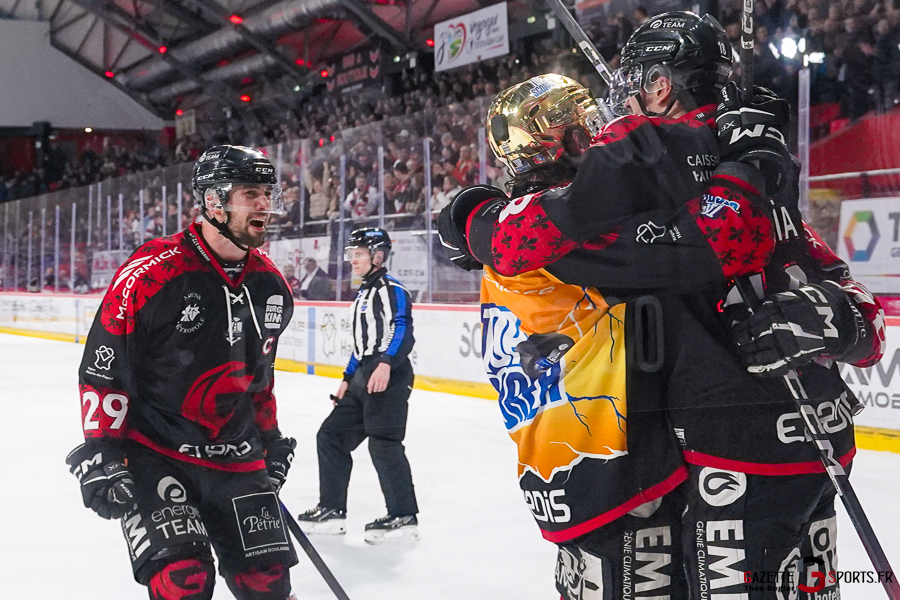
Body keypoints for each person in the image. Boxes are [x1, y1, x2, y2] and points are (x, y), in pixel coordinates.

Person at [441, 12, 885, 600]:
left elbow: (852, 310)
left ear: (659, 86)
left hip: (715, 455)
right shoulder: (734, 173)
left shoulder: (711, 177)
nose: (606, 125)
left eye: (620, 103)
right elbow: (726, 243)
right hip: (673, 459)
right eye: (580, 129)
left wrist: (832, 318)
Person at [443, 73, 691, 599]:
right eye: (580, 126)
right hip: (613, 466)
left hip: (567, 465)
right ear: (548, 142)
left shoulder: (518, 221)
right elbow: (673, 247)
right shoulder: (554, 225)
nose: (595, 133)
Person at [65, 145, 299, 600]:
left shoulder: (271, 286)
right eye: (250, 193)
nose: (264, 205)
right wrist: (102, 449)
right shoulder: (152, 272)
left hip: (237, 455)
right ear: (213, 201)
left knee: (268, 584)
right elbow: (104, 366)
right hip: (158, 451)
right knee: (182, 583)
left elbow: (259, 380)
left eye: (267, 193)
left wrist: (270, 440)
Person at [296, 227, 419, 545]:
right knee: (331, 436)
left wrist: (386, 364)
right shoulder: (364, 293)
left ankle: (404, 517)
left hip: (388, 373)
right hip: (366, 373)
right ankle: (332, 510)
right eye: (351, 254)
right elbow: (361, 345)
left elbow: (402, 328)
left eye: (359, 254)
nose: (352, 260)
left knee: (383, 443)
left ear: (378, 256)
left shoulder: (393, 290)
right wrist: (347, 378)